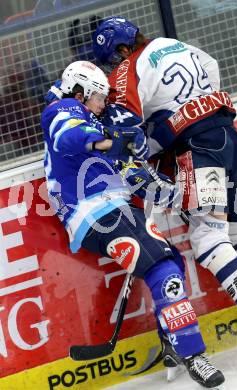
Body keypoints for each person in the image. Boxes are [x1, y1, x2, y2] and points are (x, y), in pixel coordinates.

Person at [92, 16, 237, 368]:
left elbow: (124, 124)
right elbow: (211, 74)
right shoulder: (179, 47)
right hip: (228, 138)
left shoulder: (130, 65)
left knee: (207, 236)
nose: (111, 70)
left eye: (111, 60)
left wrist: (127, 150)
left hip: (199, 150)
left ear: (121, 49)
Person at [41, 60, 225, 389]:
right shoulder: (63, 108)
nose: (103, 103)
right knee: (163, 271)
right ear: (80, 93)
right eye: (98, 96)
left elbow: (124, 167)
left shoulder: (90, 121)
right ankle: (193, 354)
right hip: (97, 215)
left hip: (114, 210)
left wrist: (130, 158)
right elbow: (69, 136)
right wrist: (112, 141)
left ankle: (172, 340)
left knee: (171, 261)